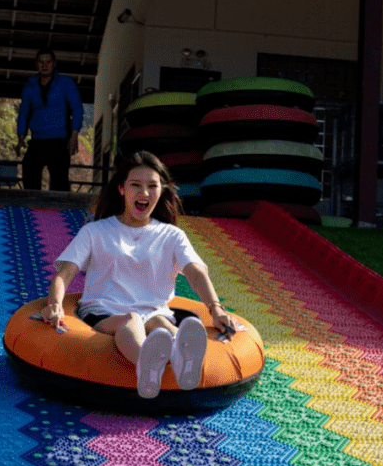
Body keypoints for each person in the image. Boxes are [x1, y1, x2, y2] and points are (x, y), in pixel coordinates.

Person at [40, 151, 238, 399]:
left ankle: (183, 360)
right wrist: (55, 305)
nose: (144, 193)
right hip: (104, 313)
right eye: (136, 185)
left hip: (154, 312)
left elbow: (195, 272)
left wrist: (216, 309)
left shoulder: (171, 235)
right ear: (122, 189)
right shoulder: (96, 232)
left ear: (161, 191)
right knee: (131, 319)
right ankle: (147, 365)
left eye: (152, 186)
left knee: (161, 323)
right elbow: (64, 274)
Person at [15, 48, 84, 191]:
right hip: (37, 140)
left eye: (48, 61)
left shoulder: (66, 83)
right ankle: (31, 209)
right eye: (41, 62)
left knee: (60, 181)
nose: (45, 65)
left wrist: (74, 136)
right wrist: (21, 136)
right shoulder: (30, 86)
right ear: (36, 64)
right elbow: (23, 113)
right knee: (28, 172)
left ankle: (62, 211)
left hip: (59, 140)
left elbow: (77, 109)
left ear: (54, 64)